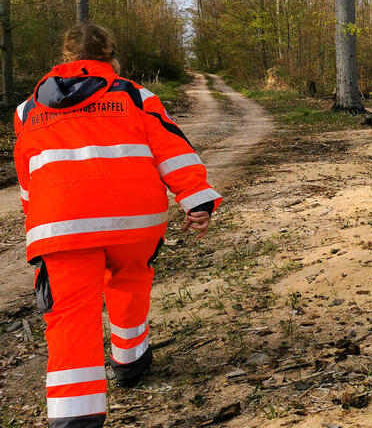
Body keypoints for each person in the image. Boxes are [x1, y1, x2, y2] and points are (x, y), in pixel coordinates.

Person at [13, 23, 222, 428]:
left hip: (61, 223)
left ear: (67, 58)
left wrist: (35, 220)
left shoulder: (28, 109)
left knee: (71, 318)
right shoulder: (132, 95)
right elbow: (171, 147)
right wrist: (195, 198)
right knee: (130, 279)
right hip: (133, 220)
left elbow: (28, 176)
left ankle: (76, 419)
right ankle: (129, 361)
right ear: (110, 57)